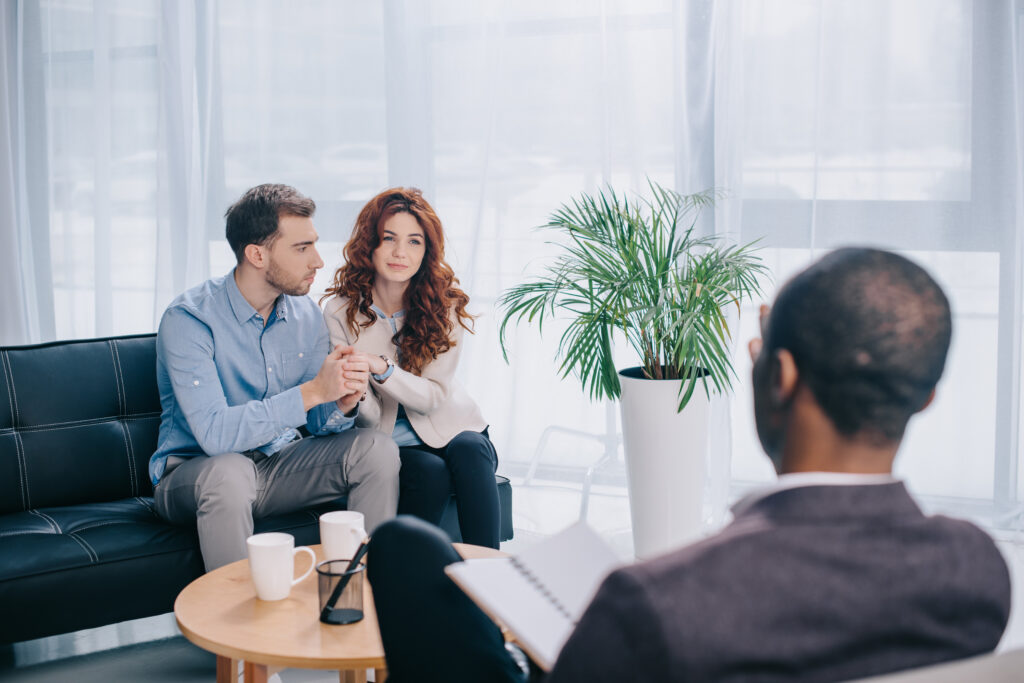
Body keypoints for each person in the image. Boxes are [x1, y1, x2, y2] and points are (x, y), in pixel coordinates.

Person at [366, 247, 1012, 682]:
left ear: (779, 376)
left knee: (402, 548)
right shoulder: (978, 570)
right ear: (925, 397)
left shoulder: (661, 601)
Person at [150, 184, 400, 572]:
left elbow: (317, 423)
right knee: (229, 472)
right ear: (257, 254)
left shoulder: (304, 316)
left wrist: (339, 402)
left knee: (376, 449)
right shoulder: (189, 320)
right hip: (196, 475)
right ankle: (239, 624)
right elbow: (215, 436)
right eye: (302, 248)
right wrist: (312, 390)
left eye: (314, 244)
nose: (318, 261)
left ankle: (365, 591)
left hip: (277, 467)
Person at [321, 187, 501, 548]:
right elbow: (368, 418)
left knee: (470, 450)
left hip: (453, 428)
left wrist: (380, 367)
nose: (400, 253)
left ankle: (490, 579)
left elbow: (433, 397)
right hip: (392, 444)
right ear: (369, 244)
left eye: (414, 242)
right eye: (389, 238)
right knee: (429, 473)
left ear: (427, 250)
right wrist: (356, 395)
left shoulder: (443, 304)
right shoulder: (339, 312)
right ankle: (413, 584)